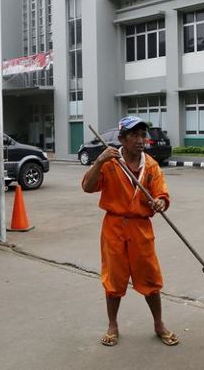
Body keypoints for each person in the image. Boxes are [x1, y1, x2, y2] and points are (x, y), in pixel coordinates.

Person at [81, 116, 179, 347]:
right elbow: (87, 186)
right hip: (113, 227)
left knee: (150, 277)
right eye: (134, 135)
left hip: (140, 228)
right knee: (114, 277)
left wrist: (159, 202)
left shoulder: (151, 166)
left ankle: (158, 324)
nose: (140, 140)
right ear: (122, 139)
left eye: (142, 135)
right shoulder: (111, 162)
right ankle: (113, 325)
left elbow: (162, 195)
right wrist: (98, 162)